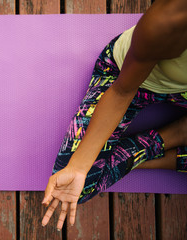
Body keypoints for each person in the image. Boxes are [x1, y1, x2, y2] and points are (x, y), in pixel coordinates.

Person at [41, 0, 187, 231]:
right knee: (80, 186)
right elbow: (122, 91)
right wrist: (79, 168)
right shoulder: (167, 21)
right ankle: (172, 135)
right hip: (130, 81)